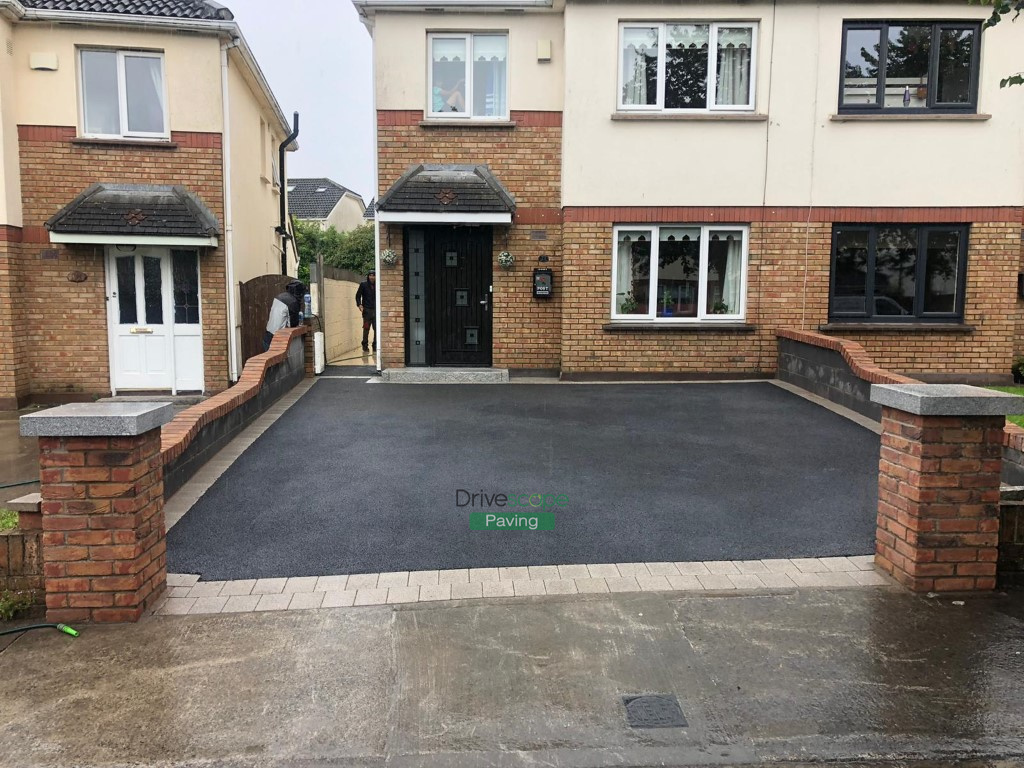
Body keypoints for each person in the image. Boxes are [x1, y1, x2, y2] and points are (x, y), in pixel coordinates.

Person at [263, 280, 306, 351]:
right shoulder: (293, 302)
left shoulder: (279, 296)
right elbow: (293, 324)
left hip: (268, 335)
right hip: (278, 338)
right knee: (279, 361)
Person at [355, 269, 377, 353]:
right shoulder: (363, 284)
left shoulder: (378, 284)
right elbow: (358, 296)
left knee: (376, 329)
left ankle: (375, 345)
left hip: (375, 311)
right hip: (367, 311)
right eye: (370, 275)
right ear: (368, 276)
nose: (372, 277)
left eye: (373, 275)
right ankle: (364, 345)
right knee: (366, 329)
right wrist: (359, 305)